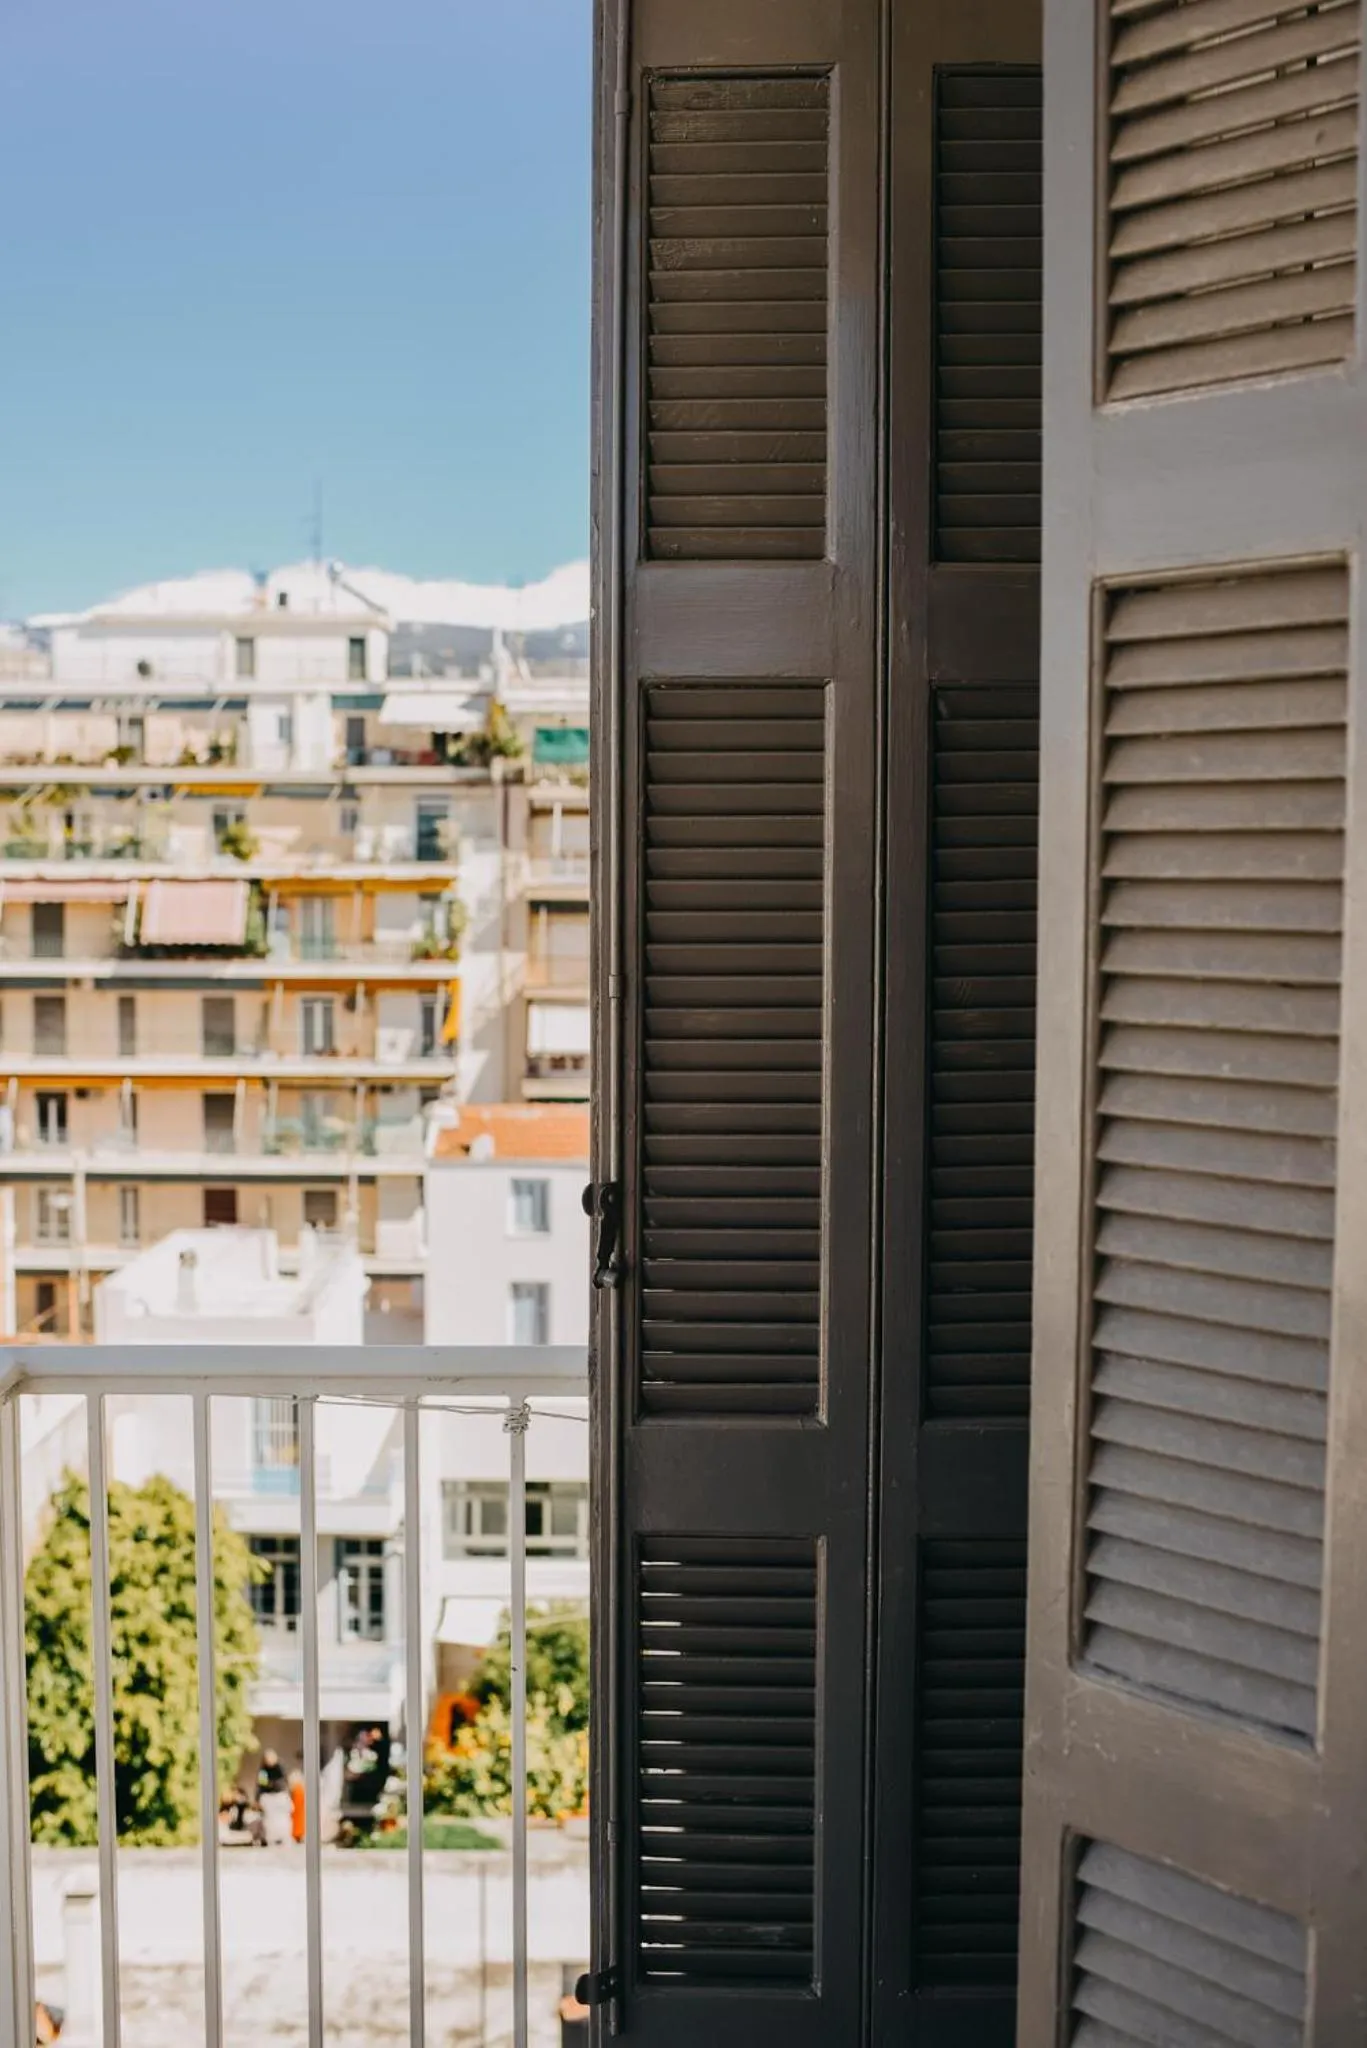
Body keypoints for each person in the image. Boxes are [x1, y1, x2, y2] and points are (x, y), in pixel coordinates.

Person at [289, 1763, 306, 1844]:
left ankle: (298, 1836)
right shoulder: (299, 1788)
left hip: (298, 1810)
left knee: (299, 1823)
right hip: (297, 1811)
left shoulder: (298, 1789)